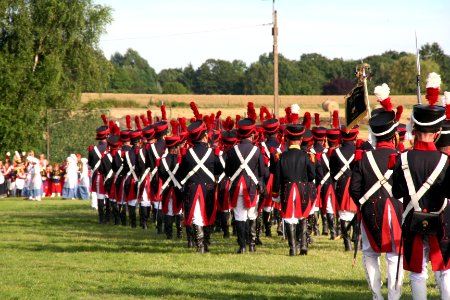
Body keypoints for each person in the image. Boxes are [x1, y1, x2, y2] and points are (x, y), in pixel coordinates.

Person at [392, 72, 450, 299]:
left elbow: (397, 192)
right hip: (442, 220)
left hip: (412, 219)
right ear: (437, 135)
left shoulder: (402, 159)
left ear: (414, 132)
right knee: (445, 270)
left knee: (417, 272)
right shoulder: (445, 161)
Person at [350, 96, 404, 300]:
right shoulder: (401, 156)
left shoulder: (362, 158)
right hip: (396, 209)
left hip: (370, 210)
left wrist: (364, 205)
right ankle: (393, 296)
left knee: (370, 254)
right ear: (393, 135)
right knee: (394, 255)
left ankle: (376, 296)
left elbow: (354, 189)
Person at [176, 115, 223, 253]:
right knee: (208, 215)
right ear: (204, 136)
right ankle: (205, 243)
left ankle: (200, 246)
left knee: (196, 216)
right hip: (208, 188)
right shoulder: (211, 153)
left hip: (192, 188)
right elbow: (220, 169)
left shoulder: (188, 154)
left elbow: (181, 173)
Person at [225, 103, 266, 254]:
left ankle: (242, 246)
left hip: (236, 186)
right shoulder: (256, 150)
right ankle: (252, 245)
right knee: (252, 214)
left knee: (239, 216)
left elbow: (228, 171)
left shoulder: (232, 150)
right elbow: (262, 171)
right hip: (251, 186)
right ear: (251, 133)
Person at [272, 123, 316, 256]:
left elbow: (277, 178)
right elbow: (312, 175)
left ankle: (293, 248)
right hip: (302, 189)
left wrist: (275, 193)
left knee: (290, 218)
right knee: (302, 216)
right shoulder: (306, 156)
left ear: (287, 139)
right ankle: (303, 244)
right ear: (301, 140)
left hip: (287, 189)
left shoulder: (282, 157)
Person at [329, 124, 359, 251]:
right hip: (357, 184)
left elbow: (333, 173)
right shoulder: (359, 151)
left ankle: (348, 245)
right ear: (355, 135)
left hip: (341, 185)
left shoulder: (335, 153)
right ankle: (356, 240)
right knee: (357, 213)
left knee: (343, 214)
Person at [159, 127, 183, 239]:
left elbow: (160, 174)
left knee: (168, 212)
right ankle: (179, 233)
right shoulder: (180, 160)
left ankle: (169, 235)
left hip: (167, 188)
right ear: (176, 146)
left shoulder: (162, 161)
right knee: (179, 211)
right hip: (178, 189)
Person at [88, 115, 109, 210]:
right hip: (110, 175)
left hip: (98, 175)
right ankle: (109, 216)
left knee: (100, 197)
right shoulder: (111, 148)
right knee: (110, 197)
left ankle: (102, 218)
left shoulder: (93, 150)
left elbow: (90, 164)